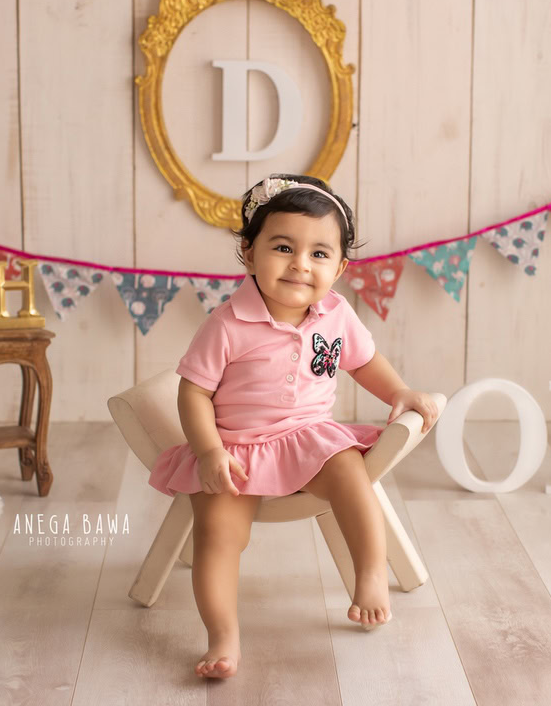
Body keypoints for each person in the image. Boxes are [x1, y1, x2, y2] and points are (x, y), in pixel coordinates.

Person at [148, 173, 440, 680]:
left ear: (341, 266)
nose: (300, 264)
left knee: (353, 479)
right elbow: (192, 392)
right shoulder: (227, 324)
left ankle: (369, 574)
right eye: (283, 247)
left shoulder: (335, 314)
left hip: (310, 435)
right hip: (236, 447)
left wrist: (398, 392)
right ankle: (223, 634)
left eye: (319, 254)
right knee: (218, 536)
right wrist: (211, 451)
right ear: (248, 251)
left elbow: (364, 361)